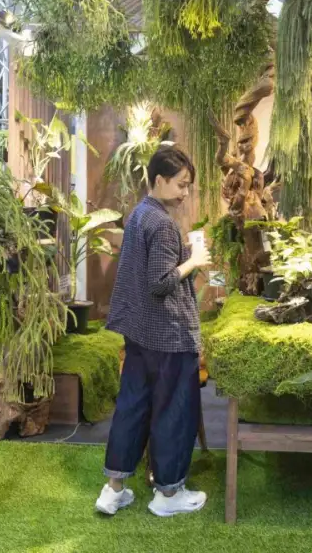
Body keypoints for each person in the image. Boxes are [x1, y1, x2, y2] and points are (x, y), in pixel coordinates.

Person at [95, 146, 212, 518]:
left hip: (139, 332)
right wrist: (194, 261)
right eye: (181, 184)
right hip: (168, 335)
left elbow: (147, 273)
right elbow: (160, 283)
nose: (185, 193)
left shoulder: (139, 214)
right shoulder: (161, 223)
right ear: (159, 180)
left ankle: (113, 490)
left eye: (188, 186)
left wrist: (183, 255)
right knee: (173, 411)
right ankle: (168, 493)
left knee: (133, 407)